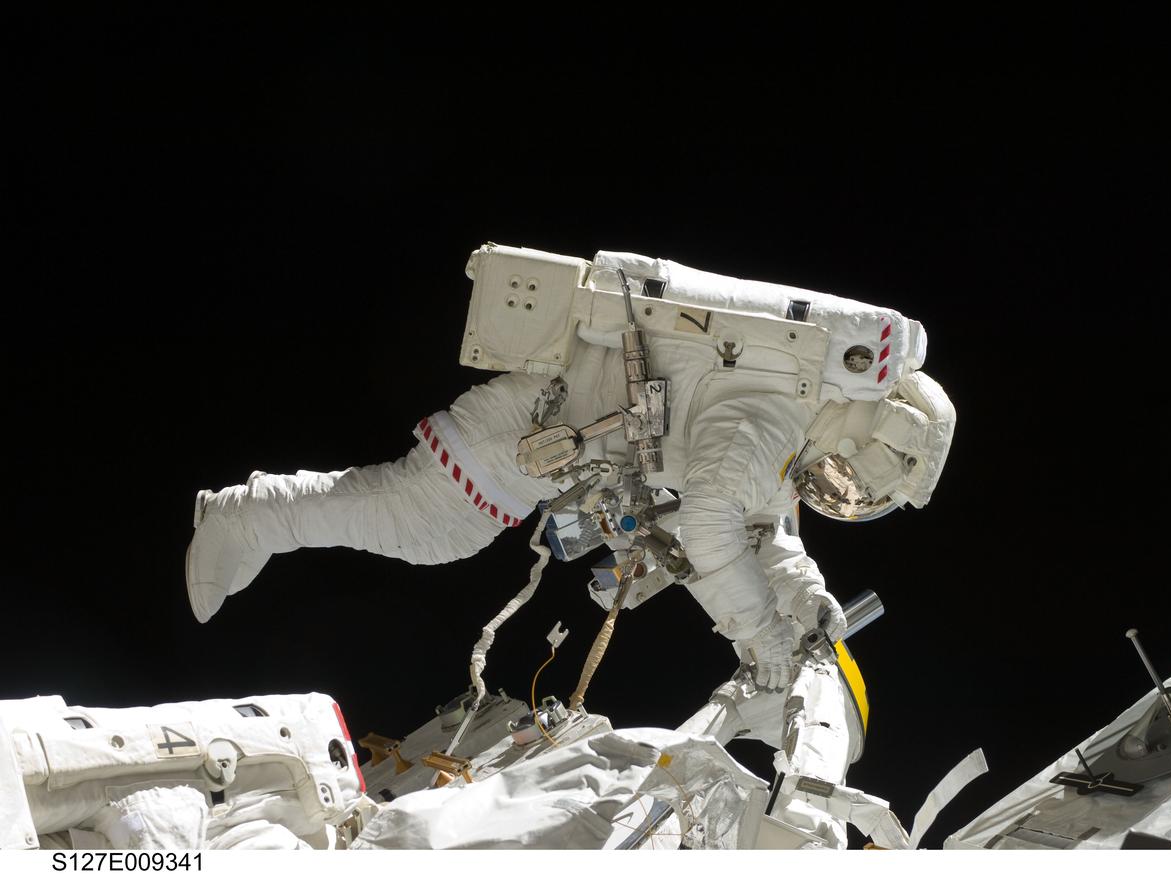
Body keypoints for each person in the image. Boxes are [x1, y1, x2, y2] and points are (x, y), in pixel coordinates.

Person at [186, 245, 956, 847]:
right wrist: (763, 638)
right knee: (417, 526)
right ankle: (246, 515)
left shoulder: (780, 436)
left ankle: (255, 518)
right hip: (525, 432)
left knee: (422, 529)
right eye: (857, 481)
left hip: (564, 452)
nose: (842, 490)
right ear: (877, 434)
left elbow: (769, 531)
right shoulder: (771, 418)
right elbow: (717, 528)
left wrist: (808, 603)